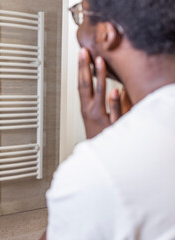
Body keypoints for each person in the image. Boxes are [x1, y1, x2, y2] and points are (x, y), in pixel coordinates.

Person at [43, 0, 175, 239]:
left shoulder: (96, 171)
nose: (79, 30)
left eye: (81, 15)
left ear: (106, 34)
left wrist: (100, 150)